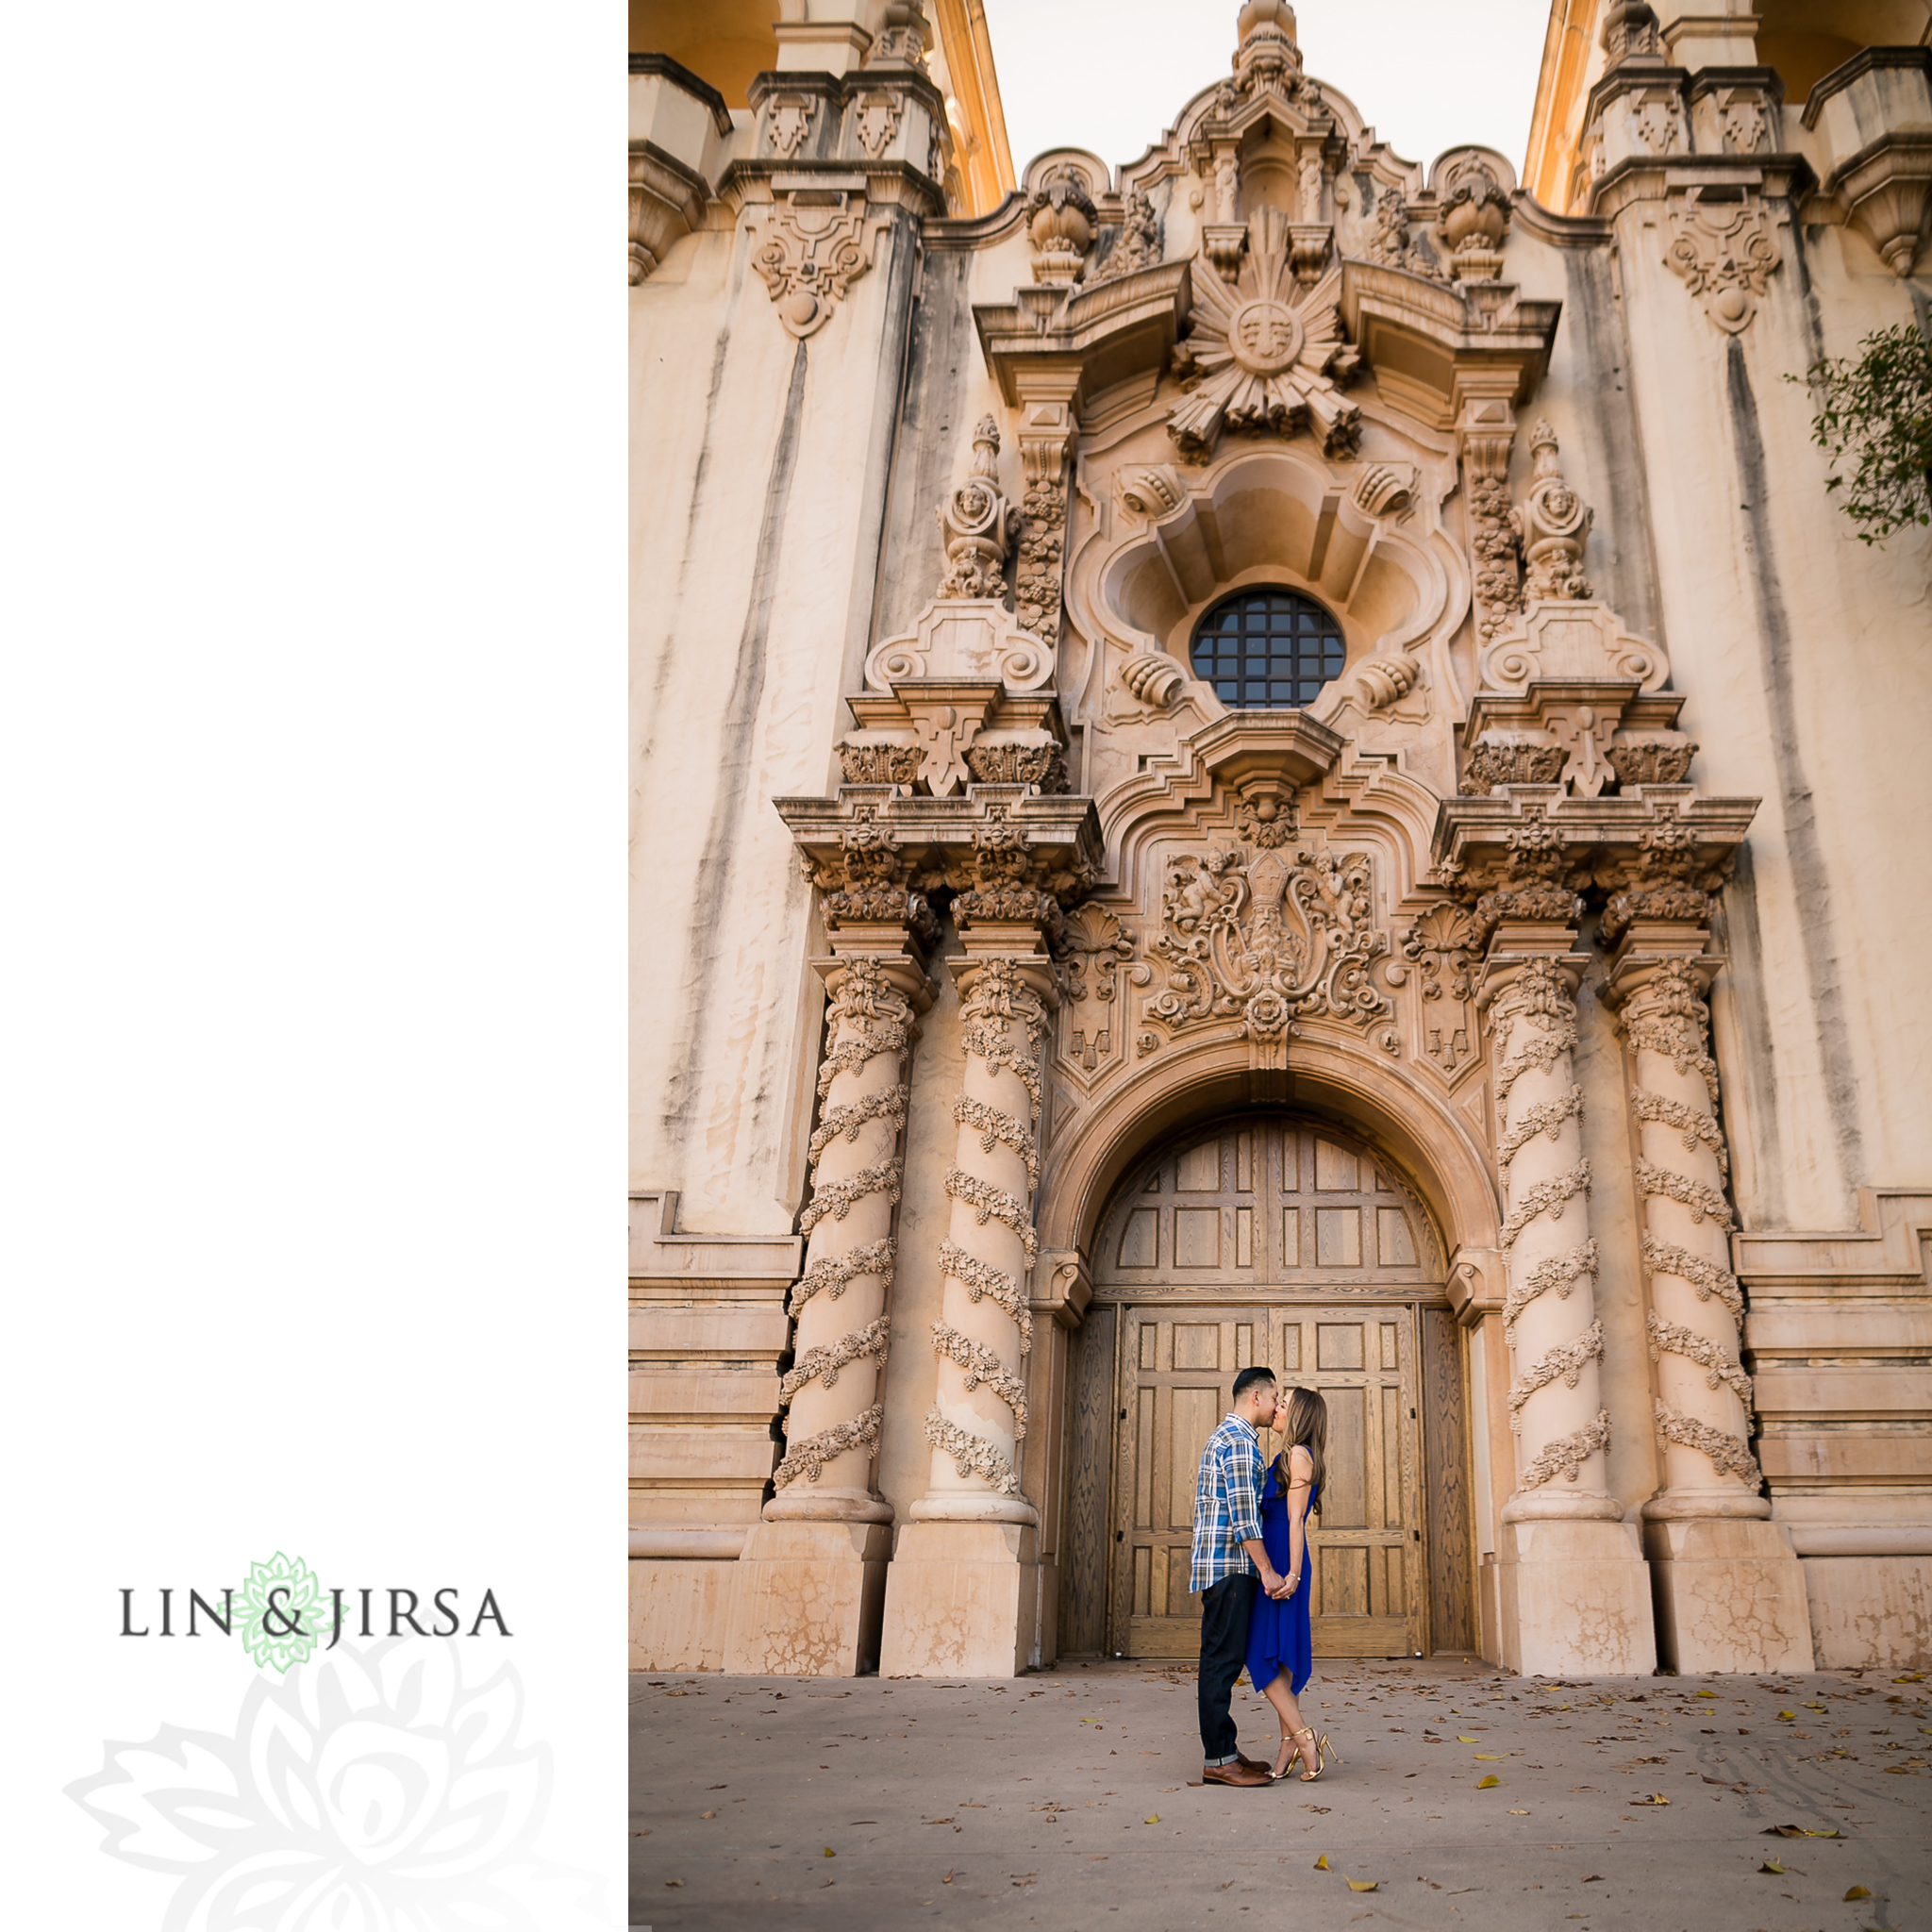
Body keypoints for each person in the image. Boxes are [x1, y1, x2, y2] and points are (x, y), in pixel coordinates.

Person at [1191, 1364, 1292, 1788]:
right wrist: (1267, 1571)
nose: (1275, 1408)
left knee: (1224, 1661)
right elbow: (1243, 1517)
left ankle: (1226, 1751)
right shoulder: (1238, 1442)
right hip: (1230, 1568)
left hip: (1227, 1567)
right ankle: (1218, 1759)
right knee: (1220, 1663)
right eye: (1273, 1399)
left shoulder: (1235, 1439)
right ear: (1256, 1397)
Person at [1244, 1385, 1341, 1782]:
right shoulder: (1290, 1455)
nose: (1277, 1409)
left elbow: (1297, 1521)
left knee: (1259, 1656)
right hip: (1280, 1559)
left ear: (1298, 1415)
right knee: (1280, 1660)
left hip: (1286, 1561)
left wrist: (1293, 1575)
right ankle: (1287, 1748)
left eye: (1283, 1405)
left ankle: (1304, 1737)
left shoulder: (1298, 1455)